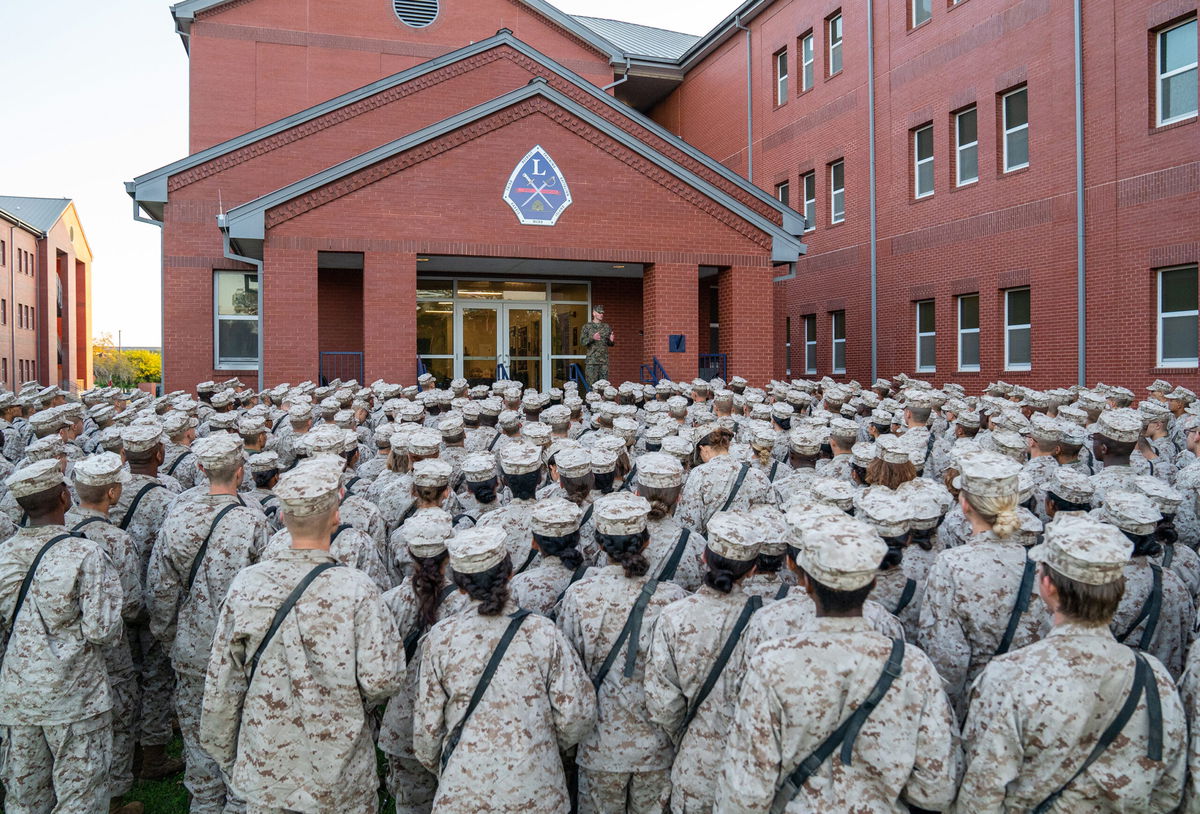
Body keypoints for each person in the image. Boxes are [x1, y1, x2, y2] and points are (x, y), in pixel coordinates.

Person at [713, 512, 960, 813]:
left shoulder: (772, 664)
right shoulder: (914, 667)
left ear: (806, 585)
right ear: (871, 585)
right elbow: (936, 787)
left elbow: (745, 789)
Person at [200, 458, 405, 813]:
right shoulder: (357, 589)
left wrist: (226, 754)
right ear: (336, 516)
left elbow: (223, 679)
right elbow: (383, 679)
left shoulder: (247, 585)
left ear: (282, 518)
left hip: (267, 762)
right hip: (338, 769)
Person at [957, 513, 1187, 812]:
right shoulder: (1155, 676)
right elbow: (1169, 791)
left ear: (1048, 587)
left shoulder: (1010, 674)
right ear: (1118, 590)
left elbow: (980, 795)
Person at [413, 525, 596, 813]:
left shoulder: (440, 639)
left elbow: (426, 735)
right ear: (509, 573)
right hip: (538, 789)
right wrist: (540, 744)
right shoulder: (542, 632)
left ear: (460, 586)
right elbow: (577, 716)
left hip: (464, 793)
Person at [147, 433, 271, 814]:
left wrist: (170, 638)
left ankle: (203, 803)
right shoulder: (252, 520)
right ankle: (237, 804)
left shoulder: (179, 514)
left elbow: (161, 588)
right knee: (241, 733)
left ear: (200, 469)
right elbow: (266, 590)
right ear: (241, 470)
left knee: (199, 732)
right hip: (243, 648)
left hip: (193, 644)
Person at [0, 459, 125, 814]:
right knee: (80, 797)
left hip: (19, 695)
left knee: (24, 797)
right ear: (64, 497)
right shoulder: (85, 553)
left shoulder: (5, 553)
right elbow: (103, 631)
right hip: (75, 696)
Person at [558, 493, 689, 814]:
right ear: (646, 541)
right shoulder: (673, 598)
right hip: (657, 747)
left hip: (599, 746)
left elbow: (567, 677)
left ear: (600, 545)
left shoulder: (579, 597)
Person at [645, 511, 763, 814]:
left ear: (703, 557)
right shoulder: (769, 622)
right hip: (752, 769)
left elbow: (662, 702)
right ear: (751, 571)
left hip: (695, 762)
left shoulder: (675, 616)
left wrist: (686, 732)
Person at [918, 450, 1047, 718]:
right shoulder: (1045, 564)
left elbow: (947, 658)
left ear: (964, 505)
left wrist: (945, 714)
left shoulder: (952, 565)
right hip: (1035, 702)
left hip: (976, 703)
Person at [65, 452, 146, 814]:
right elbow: (130, 606)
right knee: (117, 718)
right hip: (108, 651)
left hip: (62, 652)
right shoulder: (116, 540)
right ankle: (112, 799)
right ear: (112, 493)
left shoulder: (57, 527)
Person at [582, 305, 615, 385]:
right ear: (594, 313)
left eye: (602, 313)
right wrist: (592, 338)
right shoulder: (587, 327)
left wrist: (611, 340)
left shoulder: (606, 327)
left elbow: (609, 344)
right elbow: (582, 342)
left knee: (604, 387)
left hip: (603, 362)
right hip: (591, 362)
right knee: (592, 387)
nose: (601, 314)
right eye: (599, 312)